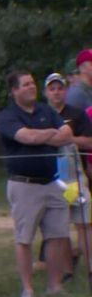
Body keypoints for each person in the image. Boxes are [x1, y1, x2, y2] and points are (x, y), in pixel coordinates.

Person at [0, 71, 73, 297]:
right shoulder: (7, 116)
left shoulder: (45, 110)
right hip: (24, 185)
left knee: (58, 235)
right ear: (15, 91)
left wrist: (46, 135)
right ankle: (28, 290)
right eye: (26, 84)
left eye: (33, 83)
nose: (32, 87)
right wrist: (51, 134)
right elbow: (26, 137)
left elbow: (67, 134)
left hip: (52, 182)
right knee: (25, 238)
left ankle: (55, 287)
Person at [40, 73, 92, 278]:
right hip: (52, 178)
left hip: (75, 176)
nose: (56, 92)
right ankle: (66, 270)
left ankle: (90, 268)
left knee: (85, 223)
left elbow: (89, 142)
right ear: (46, 92)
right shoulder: (41, 115)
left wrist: (69, 139)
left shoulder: (77, 114)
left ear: (65, 91)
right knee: (58, 227)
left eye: (60, 88)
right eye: (52, 89)